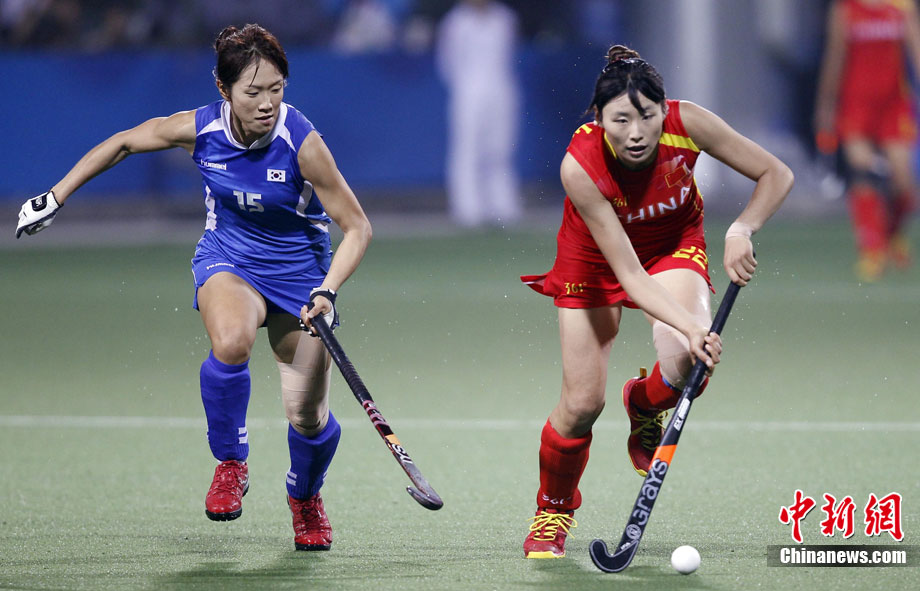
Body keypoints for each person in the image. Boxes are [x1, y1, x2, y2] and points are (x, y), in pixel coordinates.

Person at [15, 23, 373, 552]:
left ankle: (304, 497)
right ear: (223, 89)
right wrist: (55, 197)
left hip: (301, 274)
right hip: (230, 258)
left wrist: (328, 290)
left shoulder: (303, 144)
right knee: (231, 341)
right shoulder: (199, 129)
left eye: (277, 89)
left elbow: (358, 227)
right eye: (253, 92)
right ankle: (231, 462)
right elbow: (123, 143)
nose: (267, 103)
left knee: (306, 413)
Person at [519, 45, 793, 559]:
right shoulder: (580, 166)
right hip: (594, 259)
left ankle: (643, 404)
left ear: (664, 110)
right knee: (582, 404)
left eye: (646, 115)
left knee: (690, 364)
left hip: (671, 243)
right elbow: (630, 276)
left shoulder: (689, 124)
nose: (636, 132)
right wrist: (691, 325)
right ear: (598, 118)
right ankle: (552, 511)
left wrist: (742, 228)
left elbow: (776, 173)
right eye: (620, 120)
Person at [814, 0, 920, 281]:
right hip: (855, 103)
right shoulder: (845, 8)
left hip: (894, 104)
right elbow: (835, 57)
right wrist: (826, 104)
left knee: (904, 182)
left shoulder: (902, 6)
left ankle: (892, 234)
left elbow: (916, 50)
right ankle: (872, 250)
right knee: (863, 170)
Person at [436, 0, 522, 228]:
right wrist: (465, 86)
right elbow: (447, 63)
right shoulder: (455, 23)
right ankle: (468, 209)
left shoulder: (504, 18)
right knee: (468, 148)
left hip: (501, 88)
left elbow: (508, 56)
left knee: (501, 148)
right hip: (468, 91)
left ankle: (503, 207)